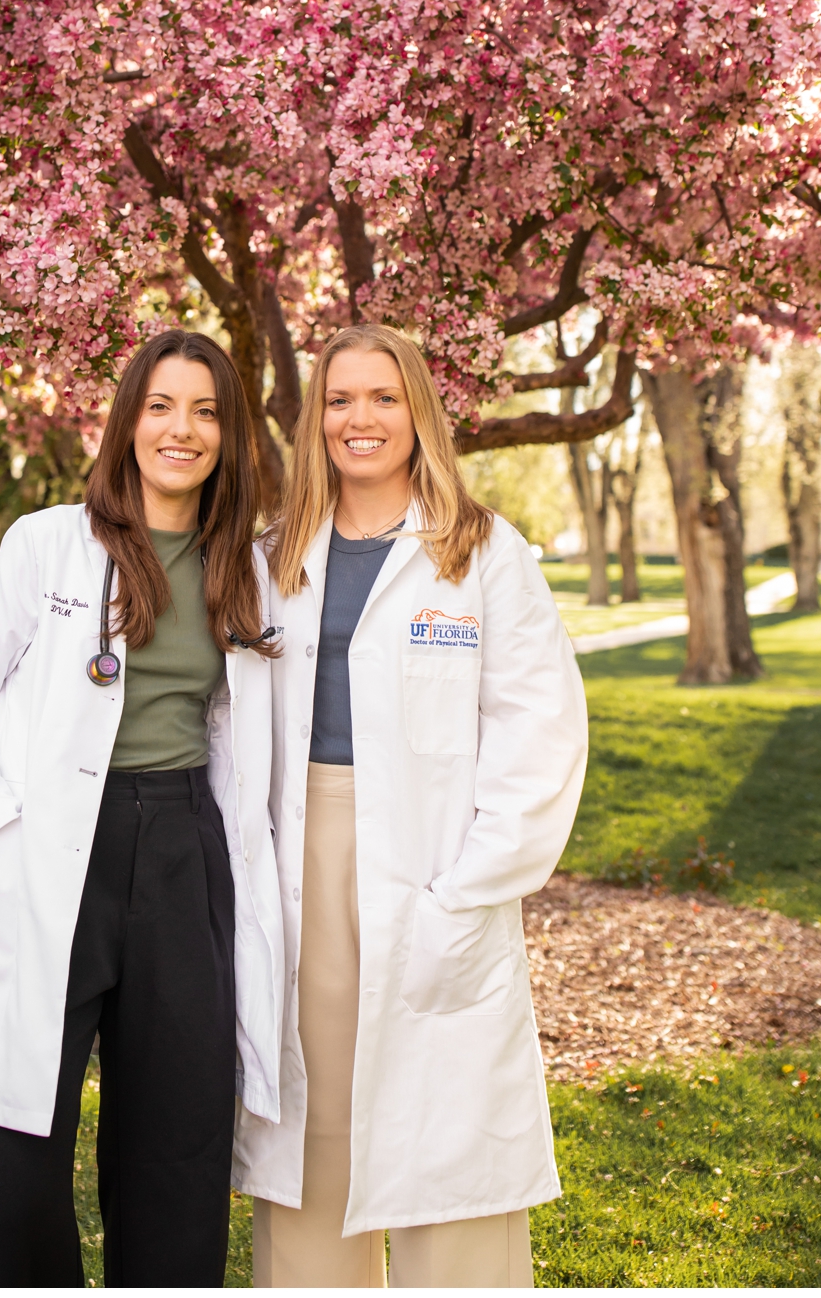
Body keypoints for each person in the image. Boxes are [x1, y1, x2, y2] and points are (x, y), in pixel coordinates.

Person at [0, 330, 285, 1286]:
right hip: (50, 853)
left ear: (227, 434)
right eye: (161, 406)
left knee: (175, 1132)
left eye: (205, 411)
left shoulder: (246, 562)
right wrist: (0, 820)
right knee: (13, 1145)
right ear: (128, 422)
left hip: (181, 849)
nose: (182, 429)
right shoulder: (48, 544)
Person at [236, 322, 588, 1288]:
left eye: (383, 398)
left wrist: (471, 890)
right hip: (304, 853)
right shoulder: (273, 557)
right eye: (340, 399)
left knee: (451, 1133)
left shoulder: (483, 554)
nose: (361, 419)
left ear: (418, 412)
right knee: (315, 1128)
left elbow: (541, 739)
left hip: (440, 863)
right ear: (316, 421)